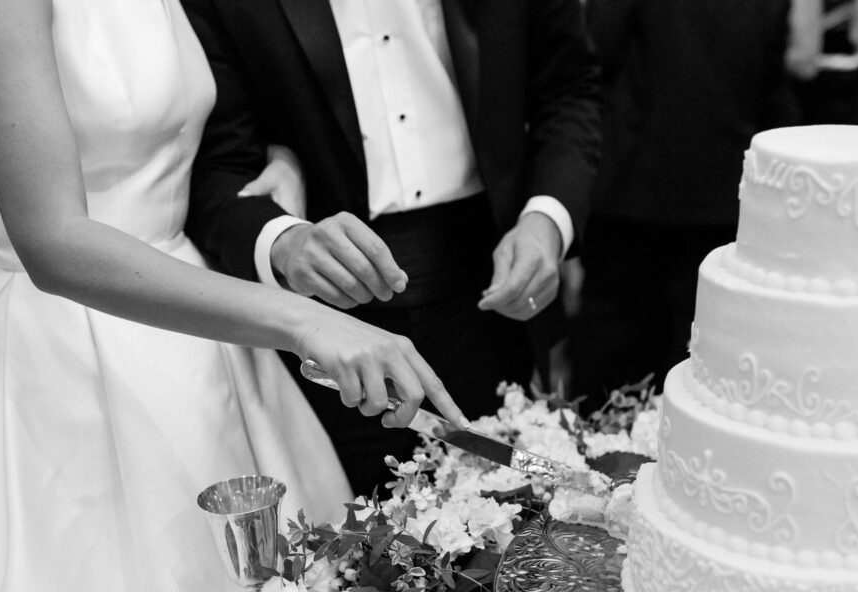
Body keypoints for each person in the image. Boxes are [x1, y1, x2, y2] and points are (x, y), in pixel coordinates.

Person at [0, 0, 467, 592]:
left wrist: (280, 172)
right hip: (64, 364)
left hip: (208, 350)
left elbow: (200, 130)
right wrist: (301, 320)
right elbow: (53, 242)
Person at [182, 0, 603, 496]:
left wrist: (546, 222)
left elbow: (570, 89)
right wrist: (283, 241)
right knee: (345, 550)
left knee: (512, 522)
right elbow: (212, 166)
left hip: (491, 293)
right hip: (318, 321)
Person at [569, 0, 798, 409]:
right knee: (698, 355)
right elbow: (773, 86)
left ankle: (592, 460)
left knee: (613, 349)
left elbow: (594, 56)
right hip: (721, 191)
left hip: (633, 187)